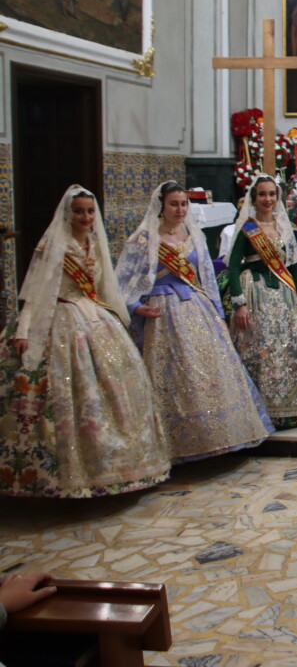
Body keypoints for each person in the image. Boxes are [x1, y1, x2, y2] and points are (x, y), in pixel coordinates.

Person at [1, 186, 171, 497]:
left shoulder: (94, 243)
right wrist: (23, 331)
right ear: (67, 214)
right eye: (79, 211)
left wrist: (123, 316)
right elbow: (34, 294)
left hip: (94, 317)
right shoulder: (52, 246)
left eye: (90, 211)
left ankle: (121, 468)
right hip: (59, 319)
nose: (85, 217)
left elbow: (106, 288)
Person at [115, 182, 274, 462]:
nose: (180, 210)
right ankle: (177, 444)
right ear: (161, 207)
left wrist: (217, 311)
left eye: (184, 204)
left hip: (197, 308)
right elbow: (124, 284)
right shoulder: (143, 239)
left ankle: (219, 436)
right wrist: (137, 307)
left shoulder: (194, 235)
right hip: (162, 313)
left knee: (210, 373)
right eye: (174, 204)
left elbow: (208, 279)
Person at [226, 174, 297, 429]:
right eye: (262, 194)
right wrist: (239, 303)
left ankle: (292, 408)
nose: (268, 199)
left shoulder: (283, 227)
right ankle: (262, 412)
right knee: (261, 352)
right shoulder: (247, 228)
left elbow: (294, 266)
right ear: (254, 199)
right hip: (256, 295)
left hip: (285, 297)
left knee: (287, 350)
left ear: (278, 198)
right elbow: (232, 267)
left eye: (272, 194)